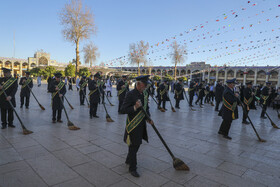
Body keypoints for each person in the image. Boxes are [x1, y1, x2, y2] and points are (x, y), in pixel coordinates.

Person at [121, 75, 154, 177]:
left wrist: (148, 118)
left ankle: (128, 159)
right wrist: (135, 107)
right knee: (134, 145)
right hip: (133, 124)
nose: (146, 87)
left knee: (137, 144)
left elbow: (146, 107)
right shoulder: (130, 94)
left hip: (141, 124)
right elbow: (123, 110)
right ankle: (132, 168)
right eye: (145, 85)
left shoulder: (144, 93)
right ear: (138, 84)